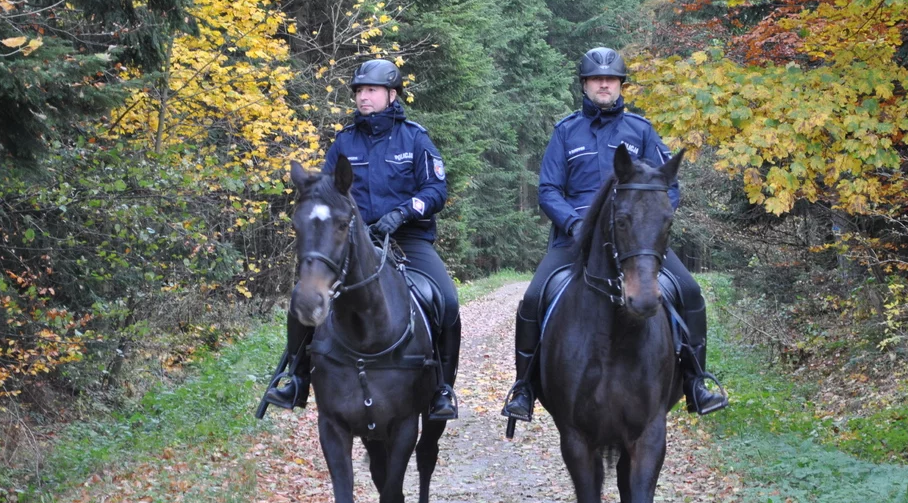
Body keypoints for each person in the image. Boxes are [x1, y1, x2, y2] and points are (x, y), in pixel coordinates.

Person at [501, 47, 724, 422]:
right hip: (575, 239)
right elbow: (548, 190)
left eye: (611, 79)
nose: (604, 84)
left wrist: (650, 222)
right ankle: (524, 387)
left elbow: (667, 184)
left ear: (621, 85)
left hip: (636, 239)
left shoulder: (642, 131)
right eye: (596, 79)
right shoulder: (565, 131)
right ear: (585, 85)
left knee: (689, 291)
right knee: (533, 298)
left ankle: (695, 382)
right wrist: (574, 224)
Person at [259, 58, 460, 420]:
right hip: (354, 241)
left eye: (371, 90)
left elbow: (436, 189)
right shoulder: (344, 142)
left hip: (407, 239)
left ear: (391, 94)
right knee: (303, 298)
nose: (363, 97)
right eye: (359, 91)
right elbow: (324, 191)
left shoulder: (415, 138)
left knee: (445, 299)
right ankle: (296, 379)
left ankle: (442, 388)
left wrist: (402, 213)